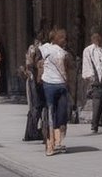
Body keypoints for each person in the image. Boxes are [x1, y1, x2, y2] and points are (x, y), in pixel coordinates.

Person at [38, 27, 71, 156]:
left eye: (64, 37)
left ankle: (58, 142)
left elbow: (68, 69)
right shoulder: (45, 48)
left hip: (62, 85)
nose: (64, 40)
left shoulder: (65, 52)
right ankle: (49, 143)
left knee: (62, 114)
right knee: (50, 114)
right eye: (61, 37)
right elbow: (37, 61)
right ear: (54, 38)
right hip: (49, 84)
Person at [81, 30, 102, 132]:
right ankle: (94, 125)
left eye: (99, 38)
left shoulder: (101, 50)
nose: (98, 40)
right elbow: (88, 64)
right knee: (97, 103)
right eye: (96, 38)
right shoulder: (89, 50)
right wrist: (90, 77)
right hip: (96, 80)